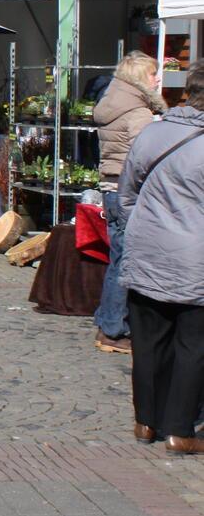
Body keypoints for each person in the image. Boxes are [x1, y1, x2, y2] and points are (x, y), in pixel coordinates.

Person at [118, 62, 204, 454]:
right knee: (193, 346)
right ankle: (180, 429)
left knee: (149, 342)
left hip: (146, 249)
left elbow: (125, 195)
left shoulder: (153, 132)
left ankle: (145, 421)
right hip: (194, 257)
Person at [92, 50, 165, 354]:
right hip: (129, 191)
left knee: (118, 259)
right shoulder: (137, 112)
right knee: (125, 262)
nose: (158, 79)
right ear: (139, 79)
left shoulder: (113, 104)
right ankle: (113, 328)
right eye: (152, 74)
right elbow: (145, 155)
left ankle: (108, 320)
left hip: (112, 187)